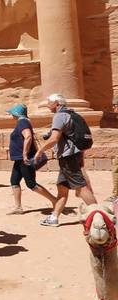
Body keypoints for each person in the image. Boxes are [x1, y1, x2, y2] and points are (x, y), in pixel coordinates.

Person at [34, 93, 97, 226]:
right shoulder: (73, 114)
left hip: (68, 157)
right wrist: (80, 157)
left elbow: (54, 138)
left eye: (49, 103)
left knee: (80, 188)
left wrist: (40, 151)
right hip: (72, 155)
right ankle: (54, 217)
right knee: (62, 187)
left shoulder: (59, 116)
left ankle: (99, 215)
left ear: (56, 104)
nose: (47, 105)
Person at [5, 104, 57, 214]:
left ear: (16, 114)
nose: (11, 115)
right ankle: (18, 207)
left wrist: (25, 154)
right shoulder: (22, 122)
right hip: (19, 159)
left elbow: (28, 136)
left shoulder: (22, 122)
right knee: (14, 181)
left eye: (12, 113)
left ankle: (55, 201)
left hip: (24, 159)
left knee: (31, 184)